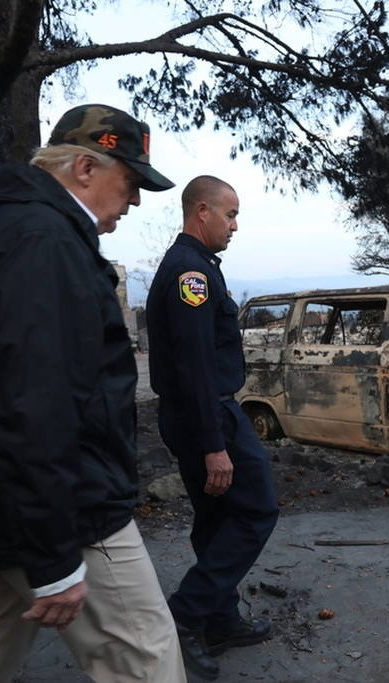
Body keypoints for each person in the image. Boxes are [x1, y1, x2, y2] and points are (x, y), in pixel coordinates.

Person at [0, 104, 186, 683]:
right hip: (68, 511)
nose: (133, 202)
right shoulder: (43, 241)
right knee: (145, 660)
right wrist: (55, 557)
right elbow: (34, 403)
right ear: (85, 167)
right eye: (129, 183)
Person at [146, 175, 280, 680]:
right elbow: (197, 365)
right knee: (257, 511)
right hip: (207, 413)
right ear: (201, 212)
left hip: (194, 412)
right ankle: (185, 616)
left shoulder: (197, 267)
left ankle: (221, 620)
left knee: (216, 520)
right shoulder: (190, 273)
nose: (235, 225)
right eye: (230, 214)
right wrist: (214, 445)